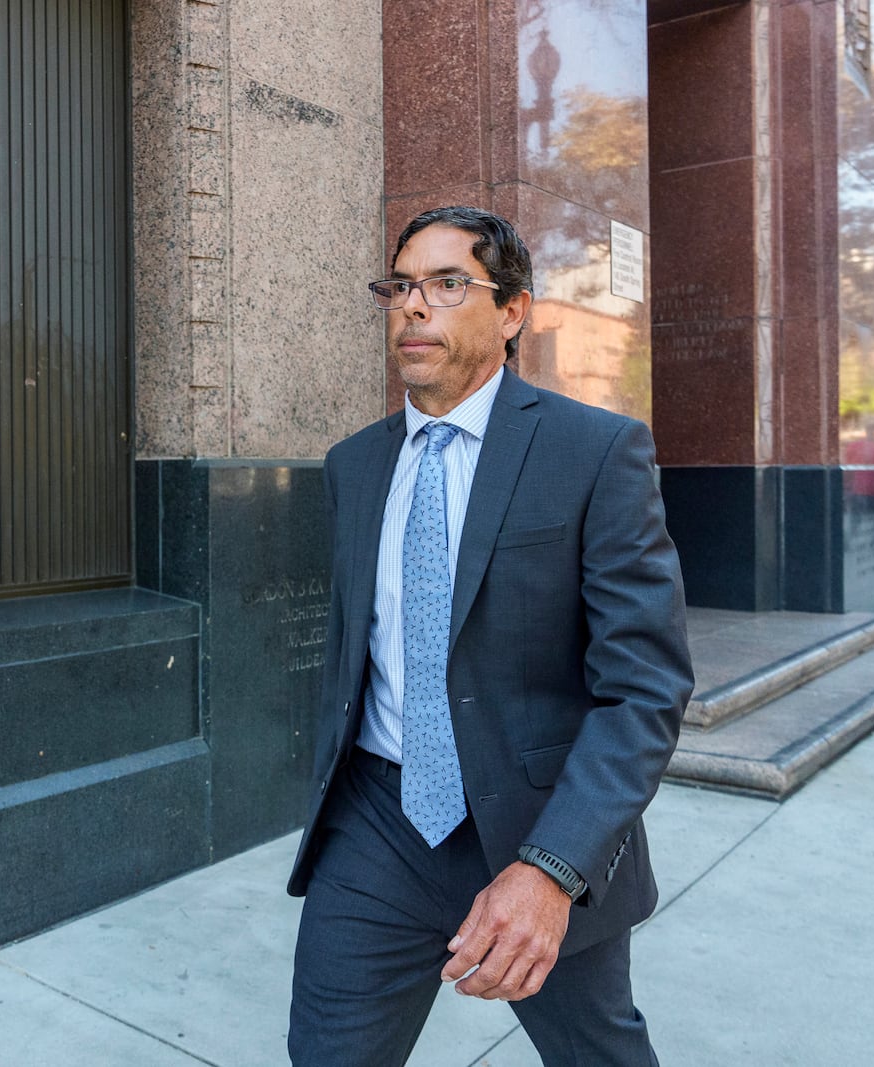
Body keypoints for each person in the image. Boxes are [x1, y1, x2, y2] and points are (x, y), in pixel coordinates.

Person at [286, 205, 694, 1066]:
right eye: (399, 286)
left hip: (539, 825)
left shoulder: (595, 453)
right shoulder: (353, 465)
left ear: (513, 311)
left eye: (445, 283)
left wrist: (553, 868)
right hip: (377, 824)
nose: (413, 306)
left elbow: (645, 689)